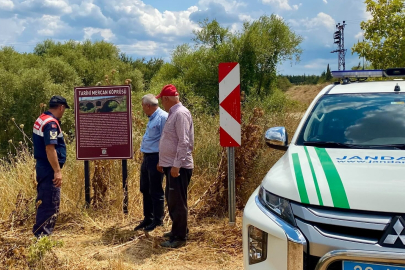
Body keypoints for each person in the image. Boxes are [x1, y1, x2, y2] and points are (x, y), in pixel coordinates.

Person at [156, 84, 194, 248]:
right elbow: (170, 140)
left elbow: (184, 142)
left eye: (161, 100)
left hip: (178, 167)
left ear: (166, 99)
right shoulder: (174, 113)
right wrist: (162, 161)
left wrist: (176, 166)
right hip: (171, 165)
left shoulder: (180, 113)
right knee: (172, 200)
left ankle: (179, 238)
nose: (161, 104)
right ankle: (178, 230)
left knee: (177, 202)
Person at [32, 95, 69, 237]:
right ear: (61, 107)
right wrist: (57, 171)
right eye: (64, 109)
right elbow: (50, 149)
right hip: (49, 169)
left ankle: (40, 234)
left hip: (43, 166)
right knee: (50, 203)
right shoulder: (51, 124)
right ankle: (42, 237)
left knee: (44, 200)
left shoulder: (41, 118)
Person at [134, 94, 168, 232]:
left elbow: (166, 140)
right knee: (145, 188)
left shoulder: (163, 117)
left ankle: (158, 221)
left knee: (155, 190)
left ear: (148, 106)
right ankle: (148, 218)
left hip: (156, 158)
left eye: (142, 106)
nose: (142, 109)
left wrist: (162, 160)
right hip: (147, 157)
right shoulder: (152, 118)